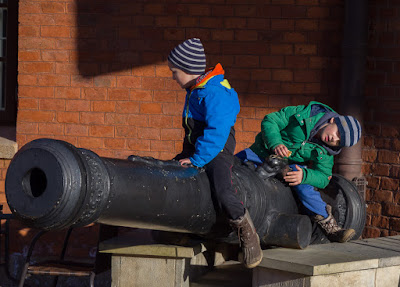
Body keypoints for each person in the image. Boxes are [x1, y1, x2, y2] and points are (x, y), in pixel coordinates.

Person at [167, 38, 263, 268]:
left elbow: (217, 133)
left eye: (174, 71)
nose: (172, 76)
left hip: (217, 148)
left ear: (188, 70)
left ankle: (247, 232)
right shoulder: (196, 88)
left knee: (222, 189)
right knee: (169, 174)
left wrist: (198, 159)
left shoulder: (213, 92)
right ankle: (177, 226)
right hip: (197, 144)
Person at [236, 101, 362, 243]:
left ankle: (329, 226)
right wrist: (276, 143)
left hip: (290, 166)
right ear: (333, 120)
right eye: (338, 132)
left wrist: (304, 176)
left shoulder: (326, 152)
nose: (334, 139)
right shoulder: (303, 114)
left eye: (339, 142)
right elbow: (271, 120)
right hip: (263, 151)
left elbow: (324, 177)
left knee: (305, 188)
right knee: (233, 164)